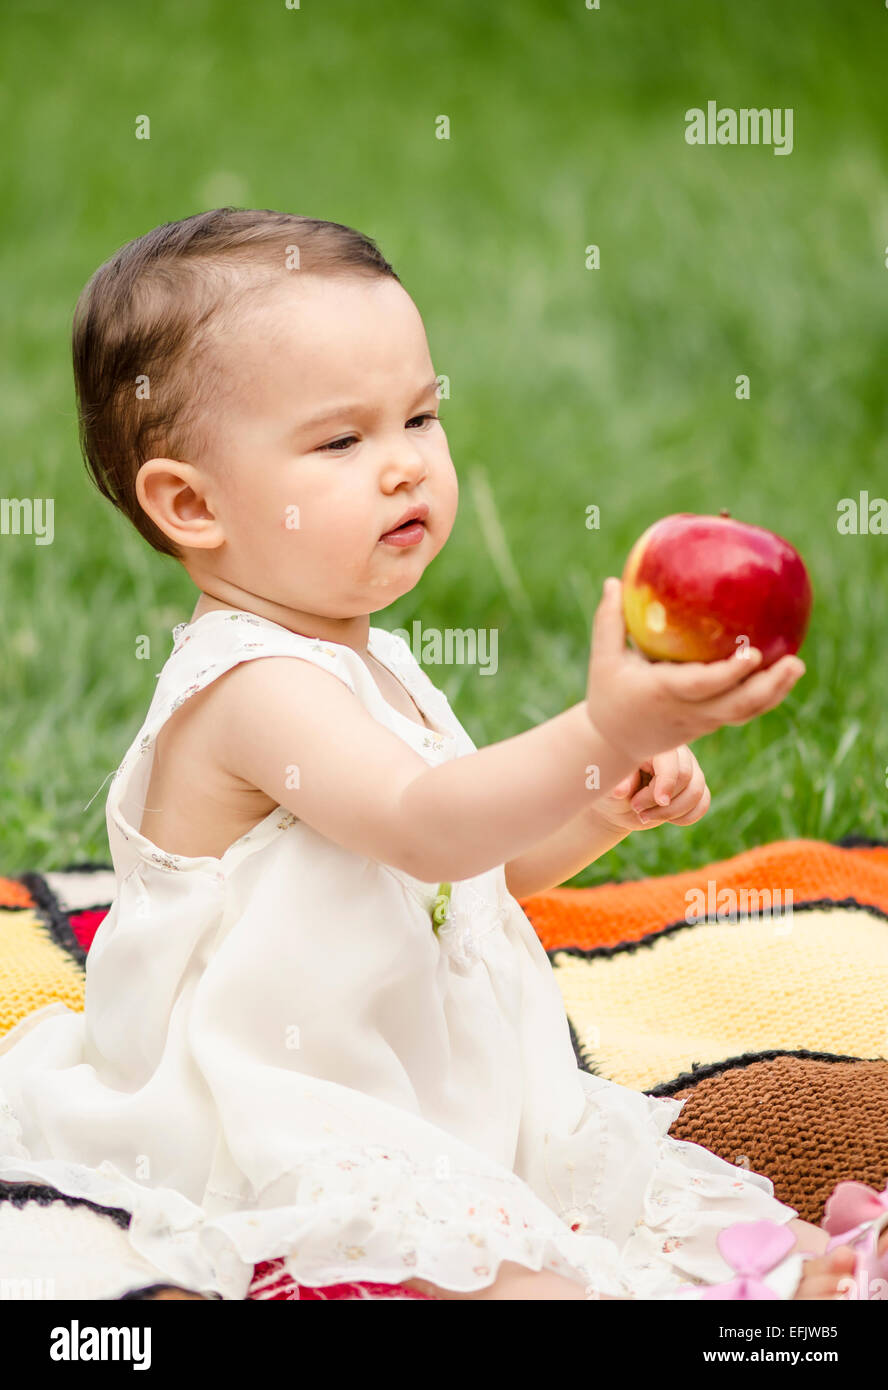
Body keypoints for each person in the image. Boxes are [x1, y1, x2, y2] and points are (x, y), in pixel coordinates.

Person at [0, 209, 875, 1301]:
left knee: (680, 1211)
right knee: (506, 1281)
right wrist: (602, 732)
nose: (405, 465)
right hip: (278, 1109)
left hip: (420, 1086)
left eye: (420, 416)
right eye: (341, 441)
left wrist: (603, 802)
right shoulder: (251, 690)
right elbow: (424, 817)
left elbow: (464, 872)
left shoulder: (375, 663)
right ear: (192, 503)